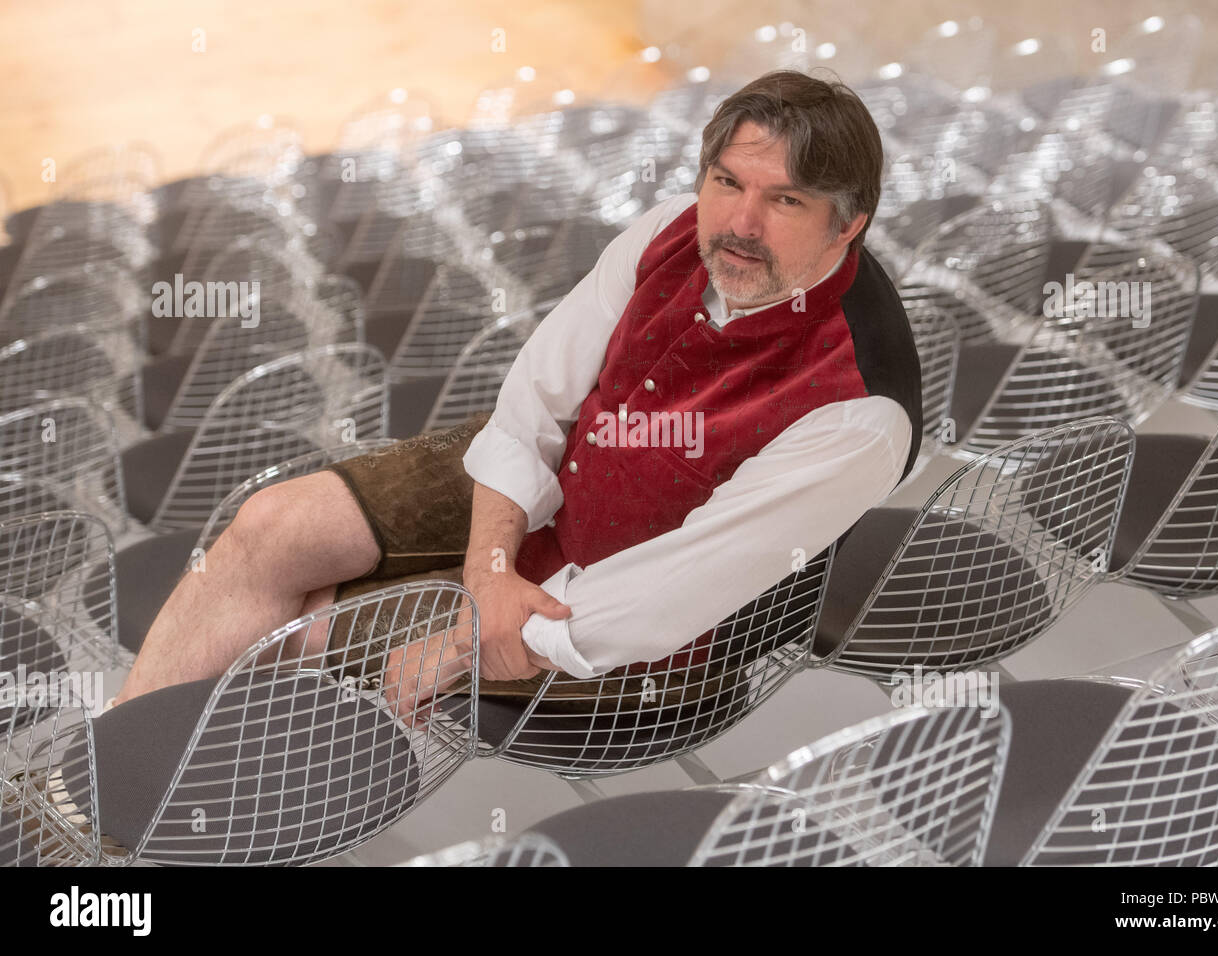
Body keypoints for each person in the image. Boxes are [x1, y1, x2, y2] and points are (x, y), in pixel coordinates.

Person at [112, 68, 924, 725]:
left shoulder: (861, 410)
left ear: (847, 225)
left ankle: (107, 834)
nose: (739, 222)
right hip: (562, 486)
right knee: (270, 530)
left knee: (307, 618)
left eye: (784, 200)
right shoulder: (673, 226)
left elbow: (672, 594)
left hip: (633, 641)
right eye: (726, 181)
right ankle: (89, 791)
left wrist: (475, 635)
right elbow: (540, 392)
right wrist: (490, 561)